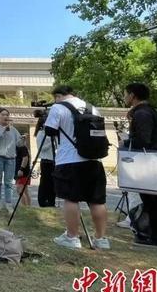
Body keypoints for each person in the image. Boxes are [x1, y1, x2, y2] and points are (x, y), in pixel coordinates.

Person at [44, 85, 110, 250]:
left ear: (59, 96)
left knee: (71, 198)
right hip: (94, 160)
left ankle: (72, 237)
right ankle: (101, 239)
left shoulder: (58, 107)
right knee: (97, 200)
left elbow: (50, 131)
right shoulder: (92, 108)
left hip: (70, 159)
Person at [121, 82, 157, 247]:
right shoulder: (151, 111)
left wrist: (127, 141)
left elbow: (144, 139)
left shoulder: (142, 113)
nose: (124, 97)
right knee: (155, 199)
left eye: (125, 94)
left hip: (148, 161)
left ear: (133, 95)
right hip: (154, 159)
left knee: (154, 200)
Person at [0, 108, 24, 212]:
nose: (5, 117)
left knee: (9, 182)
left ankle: (8, 203)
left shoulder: (13, 129)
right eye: (3, 114)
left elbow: (19, 144)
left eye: (7, 115)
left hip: (11, 159)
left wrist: (22, 140)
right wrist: (3, 131)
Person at [34, 111, 56, 207]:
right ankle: (42, 201)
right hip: (46, 160)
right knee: (45, 182)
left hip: (54, 160)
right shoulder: (41, 133)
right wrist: (50, 140)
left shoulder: (52, 134)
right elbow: (41, 148)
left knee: (53, 182)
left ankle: (52, 201)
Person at [14, 140, 31, 206]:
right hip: (21, 172)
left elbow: (25, 158)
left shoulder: (22, 147)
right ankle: (28, 207)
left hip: (23, 172)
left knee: (20, 190)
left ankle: (25, 207)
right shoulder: (17, 147)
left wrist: (21, 169)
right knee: (25, 191)